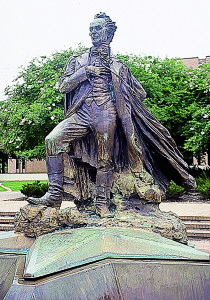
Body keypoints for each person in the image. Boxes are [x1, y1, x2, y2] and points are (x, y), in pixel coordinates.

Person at [27, 12, 195, 216]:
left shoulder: (119, 66)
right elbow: (63, 86)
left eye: (98, 29)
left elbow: (141, 93)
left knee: (104, 159)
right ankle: (54, 196)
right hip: (82, 112)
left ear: (109, 33)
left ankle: (102, 203)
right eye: (91, 29)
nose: (93, 33)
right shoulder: (77, 60)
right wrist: (85, 72)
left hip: (106, 112)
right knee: (52, 140)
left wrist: (122, 90)